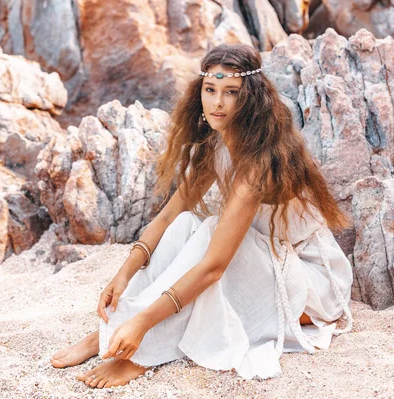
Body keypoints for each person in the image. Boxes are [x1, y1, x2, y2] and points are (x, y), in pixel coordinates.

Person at [50, 43, 354, 388]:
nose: (218, 103)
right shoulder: (219, 144)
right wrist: (123, 274)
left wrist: (145, 323)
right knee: (185, 226)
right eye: (210, 90)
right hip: (267, 261)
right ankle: (108, 332)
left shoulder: (257, 164)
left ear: (250, 97)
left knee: (210, 238)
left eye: (231, 92)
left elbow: (214, 268)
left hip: (310, 286)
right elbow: (167, 218)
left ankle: (141, 349)